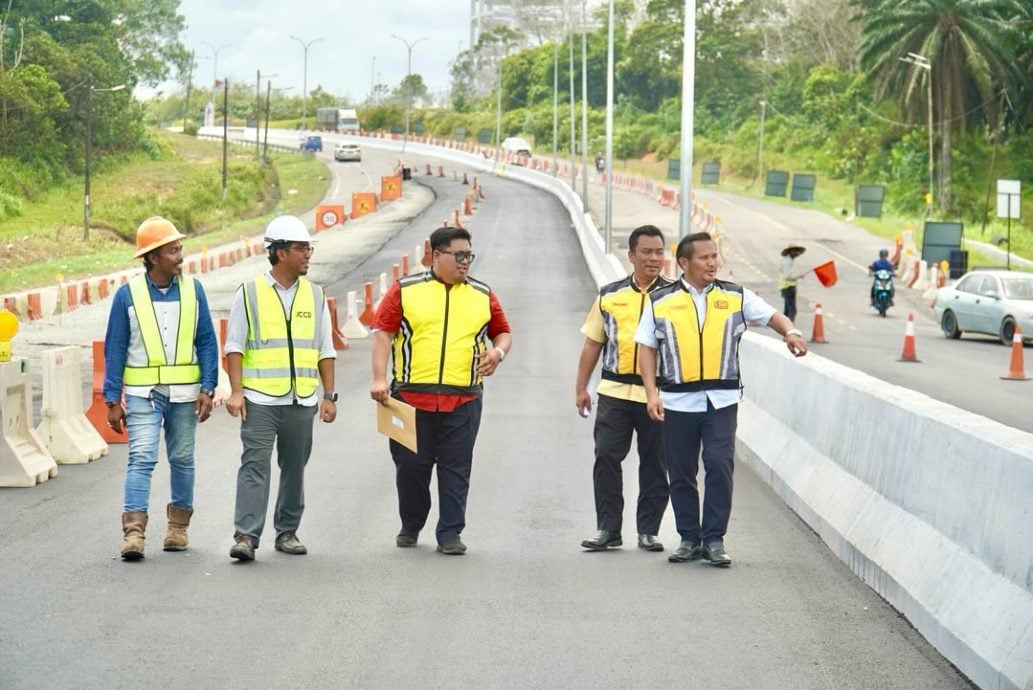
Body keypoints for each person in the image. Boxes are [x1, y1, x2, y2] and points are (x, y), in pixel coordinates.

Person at [636, 232, 807, 567]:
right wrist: (651, 393)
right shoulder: (661, 301)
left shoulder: (735, 296)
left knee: (718, 465)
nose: (713, 263)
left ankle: (714, 539)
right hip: (677, 401)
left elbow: (773, 316)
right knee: (682, 472)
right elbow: (646, 346)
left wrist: (791, 332)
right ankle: (689, 538)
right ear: (684, 263)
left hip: (721, 400)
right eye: (704, 257)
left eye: (715, 256)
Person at [370, 226, 512, 556]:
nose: (465, 262)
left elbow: (502, 332)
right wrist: (379, 379)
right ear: (436, 255)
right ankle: (411, 522)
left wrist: (497, 353)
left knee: (456, 467)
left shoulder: (482, 294)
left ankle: (450, 532)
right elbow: (382, 335)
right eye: (458, 255)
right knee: (411, 468)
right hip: (410, 398)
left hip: (464, 398)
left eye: (469, 256)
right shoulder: (404, 290)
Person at [104, 216, 219, 561]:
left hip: (186, 394)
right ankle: (134, 533)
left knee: (182, 459)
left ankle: (177, 529)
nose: (180, 255)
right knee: (141, 458)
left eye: (180, 248)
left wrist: (208, 387)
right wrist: (112, 399)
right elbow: (115, 347)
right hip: (144, 394)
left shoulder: (193, 290)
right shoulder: (128, 296)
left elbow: (207, 341)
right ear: (153, 257)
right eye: (174, 250)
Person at [225, 215, 338, 562]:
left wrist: (329, 396)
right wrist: (236, 391)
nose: (308, 255)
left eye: (308, 248)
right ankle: (246, 535)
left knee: (294, 468)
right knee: (255, 466)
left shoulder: (315, 295)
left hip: (301, 399)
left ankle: (287, 531)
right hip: (259, 400)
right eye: (301, 249)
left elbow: (325, 349)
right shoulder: (250, 293)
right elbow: (234, 346)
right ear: (279, 252)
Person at [575, 225, 673, 552]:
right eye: (646, 252)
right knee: (606, 456)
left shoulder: (676, 298)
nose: (654, 258)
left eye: (659, 252)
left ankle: (648, 530)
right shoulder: (610, 295)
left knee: (655, 462)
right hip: (614, 392)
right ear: (631, 255)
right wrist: (581, 388)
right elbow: (593, 343)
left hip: (658, 396)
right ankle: (608, 528)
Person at [778, 243, 807, 321]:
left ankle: (784, 327)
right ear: (790, 252)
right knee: (792, 310)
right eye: (795, 251)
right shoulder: (788, 262)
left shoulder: (789, 260)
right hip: (788, 287)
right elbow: (787, 276)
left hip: (787, 287)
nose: (797, 253)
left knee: (787, 310)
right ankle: (789, 328)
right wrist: (799, 276)